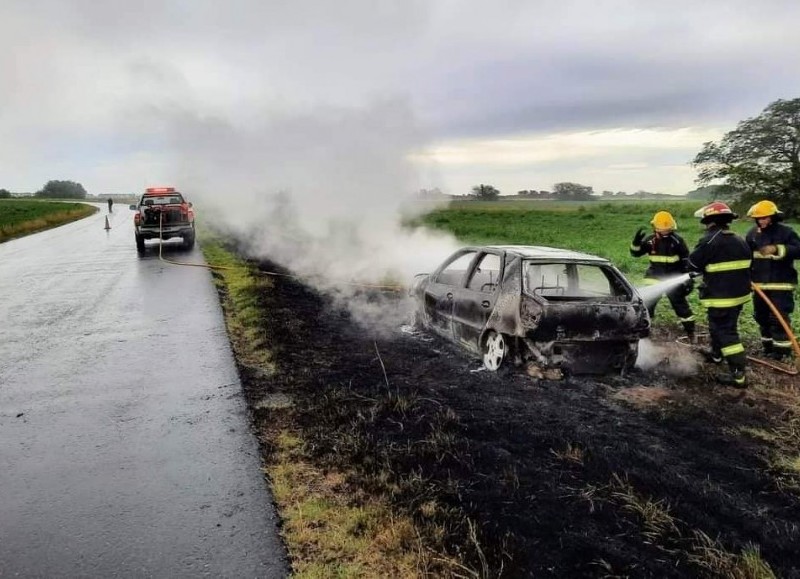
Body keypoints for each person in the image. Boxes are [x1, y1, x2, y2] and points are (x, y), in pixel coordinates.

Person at [687, 202, 752, 388]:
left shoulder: (709, 239)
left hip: (721, 297)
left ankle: (738, 376)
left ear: (710, 221)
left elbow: (692, 265)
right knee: (717, 327)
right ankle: (716, 355)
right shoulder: (739, 239)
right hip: (738, 296)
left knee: (726, 333)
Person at [745, 200, 800, 361]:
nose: (761, 221)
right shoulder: (752, 234)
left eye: (765, 218)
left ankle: (782, 353)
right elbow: (747, 258)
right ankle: (768, 348)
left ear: (773, 217)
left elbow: (798, 250)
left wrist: (778, 249)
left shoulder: (786, 232)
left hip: (781, 284)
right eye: (759, 218)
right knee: (761, 317)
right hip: (759, 285)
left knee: (778, 318)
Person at [630, 210, 696, 341]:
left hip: (673, 279)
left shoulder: (677, 241)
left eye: (667, 229)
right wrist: (636, 243)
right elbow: (635, 254)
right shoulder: (650, 241)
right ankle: (644, 333)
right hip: (654, 278)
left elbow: (686, 260)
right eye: (662, 229)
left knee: (681, 306)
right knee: (647, 305)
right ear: (655, 228)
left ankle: (691, 332)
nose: (665, 231)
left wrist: (688, 279)